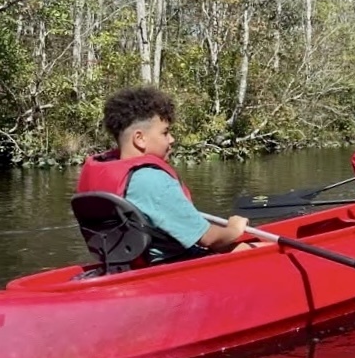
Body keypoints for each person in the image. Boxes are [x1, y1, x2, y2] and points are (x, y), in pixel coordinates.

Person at [77, 86, 253, 264]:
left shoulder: (106, 169)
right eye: (165, 132)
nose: (171, 139)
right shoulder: (151, 180)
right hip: (171, 265)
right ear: (140, 138)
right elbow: (209, 238)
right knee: (254, 250)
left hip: (125, 265)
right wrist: (234, 229)